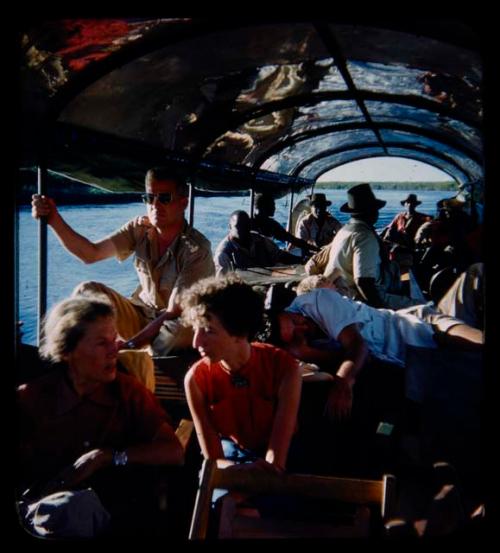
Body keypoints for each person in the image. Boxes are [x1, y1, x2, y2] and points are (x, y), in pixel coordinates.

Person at [17, 295, 184, 538]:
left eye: (114, 339)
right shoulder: (32, 399)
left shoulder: (127, 393)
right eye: (101, 343)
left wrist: (110, 457)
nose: (115, 349)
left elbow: (174, 452)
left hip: (111, 515)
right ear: (68, 351)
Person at [31, 167, 215, 387]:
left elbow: (172, 312)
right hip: (142, 314)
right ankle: (82, 358)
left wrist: (129, 344)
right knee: (86, 290)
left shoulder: (197, 249)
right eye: (149, 197)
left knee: (179, 330)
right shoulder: (138, 230)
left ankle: (130, 361)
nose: (155, 206)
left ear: (183, 203)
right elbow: (90, 253)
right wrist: (53, 218)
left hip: (173, 324)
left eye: (164, 198)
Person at [265, 276, 483, 422]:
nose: (302, 326)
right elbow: (356, 360)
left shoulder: (318, 301)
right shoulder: (296, 349)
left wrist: (343, 382)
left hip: (412, 326)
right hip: (407, 362)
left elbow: (358, 347)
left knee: (474, 343)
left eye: (295, 320)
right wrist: (308, 354)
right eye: (295, 334)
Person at [182, 275, 302, 473]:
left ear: (239, 332)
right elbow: (213, 460)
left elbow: (276, 460)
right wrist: (239, 473)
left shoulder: (284, 368)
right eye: (195, 330)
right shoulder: (197, 379)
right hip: (233, 457)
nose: (196, 342)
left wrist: (241, 491)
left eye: (208, 331)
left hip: (286, 454)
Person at [323, 183, 419, 310]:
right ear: (370, 211)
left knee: (403, 266)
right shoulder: (365, 236)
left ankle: (406, 293)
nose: (377, 213)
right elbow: (363, 282)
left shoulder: (346, 229)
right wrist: (379, 310)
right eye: (375, 209)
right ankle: (410, 297)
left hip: (341, 290)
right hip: (360, 298)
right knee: (421, 307)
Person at [213, 210, 302, 276]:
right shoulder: (223, 254)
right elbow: (222, 284)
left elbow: (279, 255)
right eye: (238, 227)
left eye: (246, 225)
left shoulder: (259, 239)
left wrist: (302, 260)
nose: (243, 229)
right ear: (230, 227)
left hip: (270, 281)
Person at [251, 192, 318, 256]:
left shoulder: (271, 224)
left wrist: (315, 249)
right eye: (272, 205)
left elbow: (292, 239)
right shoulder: (252, 223)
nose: (275, 208)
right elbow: (292, 240)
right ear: (263, 206)